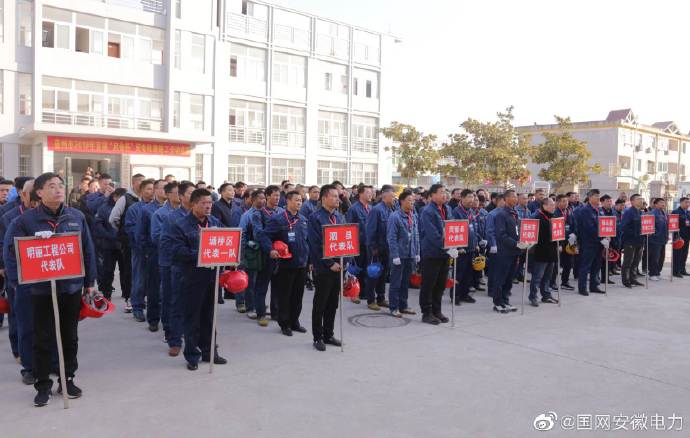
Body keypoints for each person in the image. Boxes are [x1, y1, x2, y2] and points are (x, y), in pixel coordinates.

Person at [6, 172, 97, 407]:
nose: (58, 190)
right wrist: (19, 283)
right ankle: (43, 384)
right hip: (39, 291)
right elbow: (11, 253)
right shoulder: (25, 221)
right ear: (39, 192)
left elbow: (87, 249)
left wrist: (89, 282)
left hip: (70, 287)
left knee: (69, 336)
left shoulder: (75, 216)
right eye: (52, 186)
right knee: (42, 338)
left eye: (60, 185)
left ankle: (67, 379)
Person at [169, 188, 227, 370]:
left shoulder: (215, 222)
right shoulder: (180, 225)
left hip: (212, 277)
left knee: (210, 317)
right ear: (193, 204)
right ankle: (192, 355)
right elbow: (177, 251)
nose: (208, 206)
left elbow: (225, 243)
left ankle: (210, 352)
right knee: (192, 318)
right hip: (191, 278)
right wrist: (203, 254)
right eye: (204, 203)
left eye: (210, 203)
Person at [0, 178, 36, 384]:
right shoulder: (9, 216)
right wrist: (4, 267)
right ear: (23, 194)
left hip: (40, 274)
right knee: (18, 315)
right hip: (17, 273)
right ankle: (19, 351)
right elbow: (2, 244)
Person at [264, 191, 309, 336]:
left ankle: (295, 321)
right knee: (285, 296)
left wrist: (310, 261)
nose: (299, 202)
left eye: (300, 200)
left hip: (301, 263)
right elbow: (265, 236)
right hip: (285, 264)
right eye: (296, 200)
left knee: (298, 295)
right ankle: (284, 324)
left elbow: (306, 241)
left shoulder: (302, 219)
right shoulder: (278, 219)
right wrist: (270, 249)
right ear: (288, 201)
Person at [307, 184, 345, 351]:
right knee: (320, 303)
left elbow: (345, 240)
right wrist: (330, 263)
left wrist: (345, 262)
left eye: (338, 196)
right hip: (323, 268)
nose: (338, 199)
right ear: (324, 198)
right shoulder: (315, 218)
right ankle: (318, 337)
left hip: (339, 267)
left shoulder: (339, 217)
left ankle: (329, 334)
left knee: (333, 303)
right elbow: (316, 245)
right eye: (334, 196)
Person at [159, 181, 193, 356]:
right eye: (190, 194)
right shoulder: (171, 217)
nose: (194, 197)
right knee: (174, 302)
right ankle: (174, 339)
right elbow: (164, 243)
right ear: (181, 197)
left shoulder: (201, 218)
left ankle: (188, 335)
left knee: (191, 304)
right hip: (176, 265)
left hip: (196, 267)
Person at [109, 173, 145, 312]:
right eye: (140, 182)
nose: (143, 185)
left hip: (143, 242)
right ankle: (129, 297)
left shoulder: (146, 200)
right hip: (128, 241)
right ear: (134, 183)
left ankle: (140, 297)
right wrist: (122, 232)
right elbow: (113, 219)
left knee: (142, 271)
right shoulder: (125, 198)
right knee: (129, 269)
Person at [418, 184, 452, 324]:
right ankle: (427, 313)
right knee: (429, 284)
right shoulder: (427, 211)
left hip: (445, 253)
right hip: (432, 253)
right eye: (441, 192)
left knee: (440, 284)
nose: (444, 195)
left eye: (445, 192)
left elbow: (451, 228)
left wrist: (454, 245)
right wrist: (447, 246)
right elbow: (433, 235)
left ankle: (437, 310)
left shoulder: (447, 209)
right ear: (432, 195)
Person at [136, 179, 166, 331]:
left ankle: (167, 319)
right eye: (163, 188)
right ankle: (153, 319)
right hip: (153, 252)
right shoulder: (147, 209)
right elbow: (140, 234)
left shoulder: (174, 209)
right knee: (153, 287)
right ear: (155, 190)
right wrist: (146, 253)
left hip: (170, 253)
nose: (165, 191)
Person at [253, 185, 284, 327]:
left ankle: (275, 312)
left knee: (277, 285)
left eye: (278, 196)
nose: (277, 198)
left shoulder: (282, 212)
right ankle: (260, 313)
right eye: (274, 195)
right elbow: (259, 234)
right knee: (262, 285)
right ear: (267, 196)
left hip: (281, 254)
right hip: (266, 254)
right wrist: (270, 248)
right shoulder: (258, 214)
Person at [125, 179, 155, 322]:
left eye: (153, 188)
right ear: (141, 191)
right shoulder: (134, 208)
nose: (151, 191)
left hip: (154, 250)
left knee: (154, 281)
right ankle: (137, 307)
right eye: (148, 189)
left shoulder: (157, 207)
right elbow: (130, 229)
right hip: (139, 250)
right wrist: (141, 245)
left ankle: (153, 308)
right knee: (139, 279)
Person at [386, 191, 419, 317]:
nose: (412, 203)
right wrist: (395, 255)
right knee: (396, 282)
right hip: (399, 255)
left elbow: (416, 235)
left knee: (405, 282)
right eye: (410, 200)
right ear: (402, 201)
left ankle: (403, 305)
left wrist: (417, 252)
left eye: (413, 200)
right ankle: (393, 307)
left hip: (410, 254)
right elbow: (391, 238)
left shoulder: (413, 215)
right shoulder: (395, 217)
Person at [93, 188, 128, 301]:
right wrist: (108, 235)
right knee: (108, 270)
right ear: (115, 197)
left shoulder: (127, 207)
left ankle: (126, 292)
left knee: (125, 270)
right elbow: (98, 225)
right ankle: (106, 292)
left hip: (123, 245)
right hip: (108, 244)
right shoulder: (104, 208)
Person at [364, 187, 395, 310]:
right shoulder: (376, 210)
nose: (394, 199)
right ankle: (371, 300)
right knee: (373, 273)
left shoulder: (391, 210)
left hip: (387, 248)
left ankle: (381, 298)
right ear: (384, 196)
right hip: (376, 248)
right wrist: (373, 247)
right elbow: (370, 230)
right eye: (392, 196)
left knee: (384, 274)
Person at [491, 190, 521, 313]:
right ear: (506, 199)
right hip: (504, 252)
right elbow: (501, 234)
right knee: (500, 278)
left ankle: (505, 300)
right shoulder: (501, 214)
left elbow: (516, 231)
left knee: (509, 278)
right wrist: (515, 243)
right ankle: (498, 302)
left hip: (515, 251)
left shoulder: (515, 213)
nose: (516, 199)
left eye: (516, 197)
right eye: (513, 197)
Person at [239, 189, 266, 320]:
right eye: (260, 198)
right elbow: (242, 234)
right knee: (250, 280)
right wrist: (242, 253)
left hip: (263, 252)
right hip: (251, 252)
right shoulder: (247, 215)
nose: (263, 200)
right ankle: (250, 307)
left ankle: (258, 304)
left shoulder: (265, 213)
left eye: (264, 198)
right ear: (253, 200)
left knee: (260, 281)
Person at [573, 190, 606, 295]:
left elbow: (604, 224)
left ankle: (594, 286)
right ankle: (582, 288)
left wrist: (606, 236)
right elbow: (589, 227)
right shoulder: (585, 210)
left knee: (597, 265)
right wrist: (601, 236)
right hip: (588, 242)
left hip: (599, 242)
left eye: (598, 196)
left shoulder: (599, 210)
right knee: (585, 266)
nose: (598, 198)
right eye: (596, 196)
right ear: (590, 197)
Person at [529, 197, 559, 306]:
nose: (553, 207)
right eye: (551, 205)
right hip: (541, 252)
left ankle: (546, 295)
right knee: (537, 277)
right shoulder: (538, 218)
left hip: (552, 251)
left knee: (548, 276)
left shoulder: (553, 217)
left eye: (554, 205)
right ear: (544, 206)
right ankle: (533, 296)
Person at [451, 189, 479, 305]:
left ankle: (465, 294)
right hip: (461, 249)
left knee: (468, 273)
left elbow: (474, 228)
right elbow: (453, 230)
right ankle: (455, 295)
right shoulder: (456, 212)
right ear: (462, 198)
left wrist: (476, 243)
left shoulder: (471, 211)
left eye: (472, 197)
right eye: (469, 197)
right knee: (459, 273)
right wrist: (458, 247)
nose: (471, 199)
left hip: (471, 247)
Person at [346, 185, 372, 304]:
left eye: (371, 192)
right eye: (367, 192)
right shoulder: (354, 209)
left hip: (368, 244)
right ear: (361, 194)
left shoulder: (371, 208)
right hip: (358, 244)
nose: (370, 194)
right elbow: (349, 227)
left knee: (366, 269)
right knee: (356, 269)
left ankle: (364, 292)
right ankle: (354, 293)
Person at [621, 194, 645, 288]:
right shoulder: (628, 212)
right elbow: (624, 227)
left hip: (640, 240)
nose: (641, 200)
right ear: (632, 201)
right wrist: (636, 233)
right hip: (630, 241)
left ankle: (633, 279)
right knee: (628, 261)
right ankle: (626, 280)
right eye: (638, 199)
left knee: (636, 261)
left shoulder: (641, 212)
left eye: (641, 199)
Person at [553, 194, 575, 290]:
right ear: (557, 202)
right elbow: (554, 230)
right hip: (559, 242)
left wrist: (574, 234)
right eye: (563, 201)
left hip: (570, 241)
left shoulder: (569, 211)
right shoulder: (555, 213)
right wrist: (559, 243)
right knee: (555, 264)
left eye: (566, 201)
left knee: (569, 263)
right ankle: (552, 282)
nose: (566, 203)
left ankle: (565, 282)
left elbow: (574, 224)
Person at [648, 198, 668, 281]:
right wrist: (654, 235)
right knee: (654, 257)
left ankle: (657, 272)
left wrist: (666, 235)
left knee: (661, 257)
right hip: (655, 239)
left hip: (663, 239)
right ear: (655, 204)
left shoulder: (664, 213)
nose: (663, 204)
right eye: (661, 202)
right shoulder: (652, 213)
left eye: (664, 202)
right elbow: (649, 227)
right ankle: (652, 273)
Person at [671, 197, 690, 277]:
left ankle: (682, 270)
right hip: (678, 237)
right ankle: (676, 271)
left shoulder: (688, 212)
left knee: (684, 254)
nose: (688, 204)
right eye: (686, 202)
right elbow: (672, 225)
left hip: (687, 237)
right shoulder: (675, 212)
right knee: (677, 255)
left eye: (689, 202)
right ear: (681, 202)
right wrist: (675, 236)